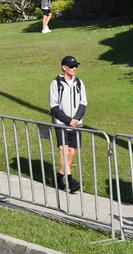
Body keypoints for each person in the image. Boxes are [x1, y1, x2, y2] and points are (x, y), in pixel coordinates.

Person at [49, 56, 87, 193]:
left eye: (76, 65)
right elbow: (54, 106)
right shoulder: (56, 83)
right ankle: (71, 180)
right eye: (72, 66)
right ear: (64, 67)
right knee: (63, 151)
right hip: (61, 123)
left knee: (71, 152)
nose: (75, 68)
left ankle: (59, 177)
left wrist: (76, 119)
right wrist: (67, 121)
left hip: (77, 123)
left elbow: (83, 103)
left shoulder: (79, 83)